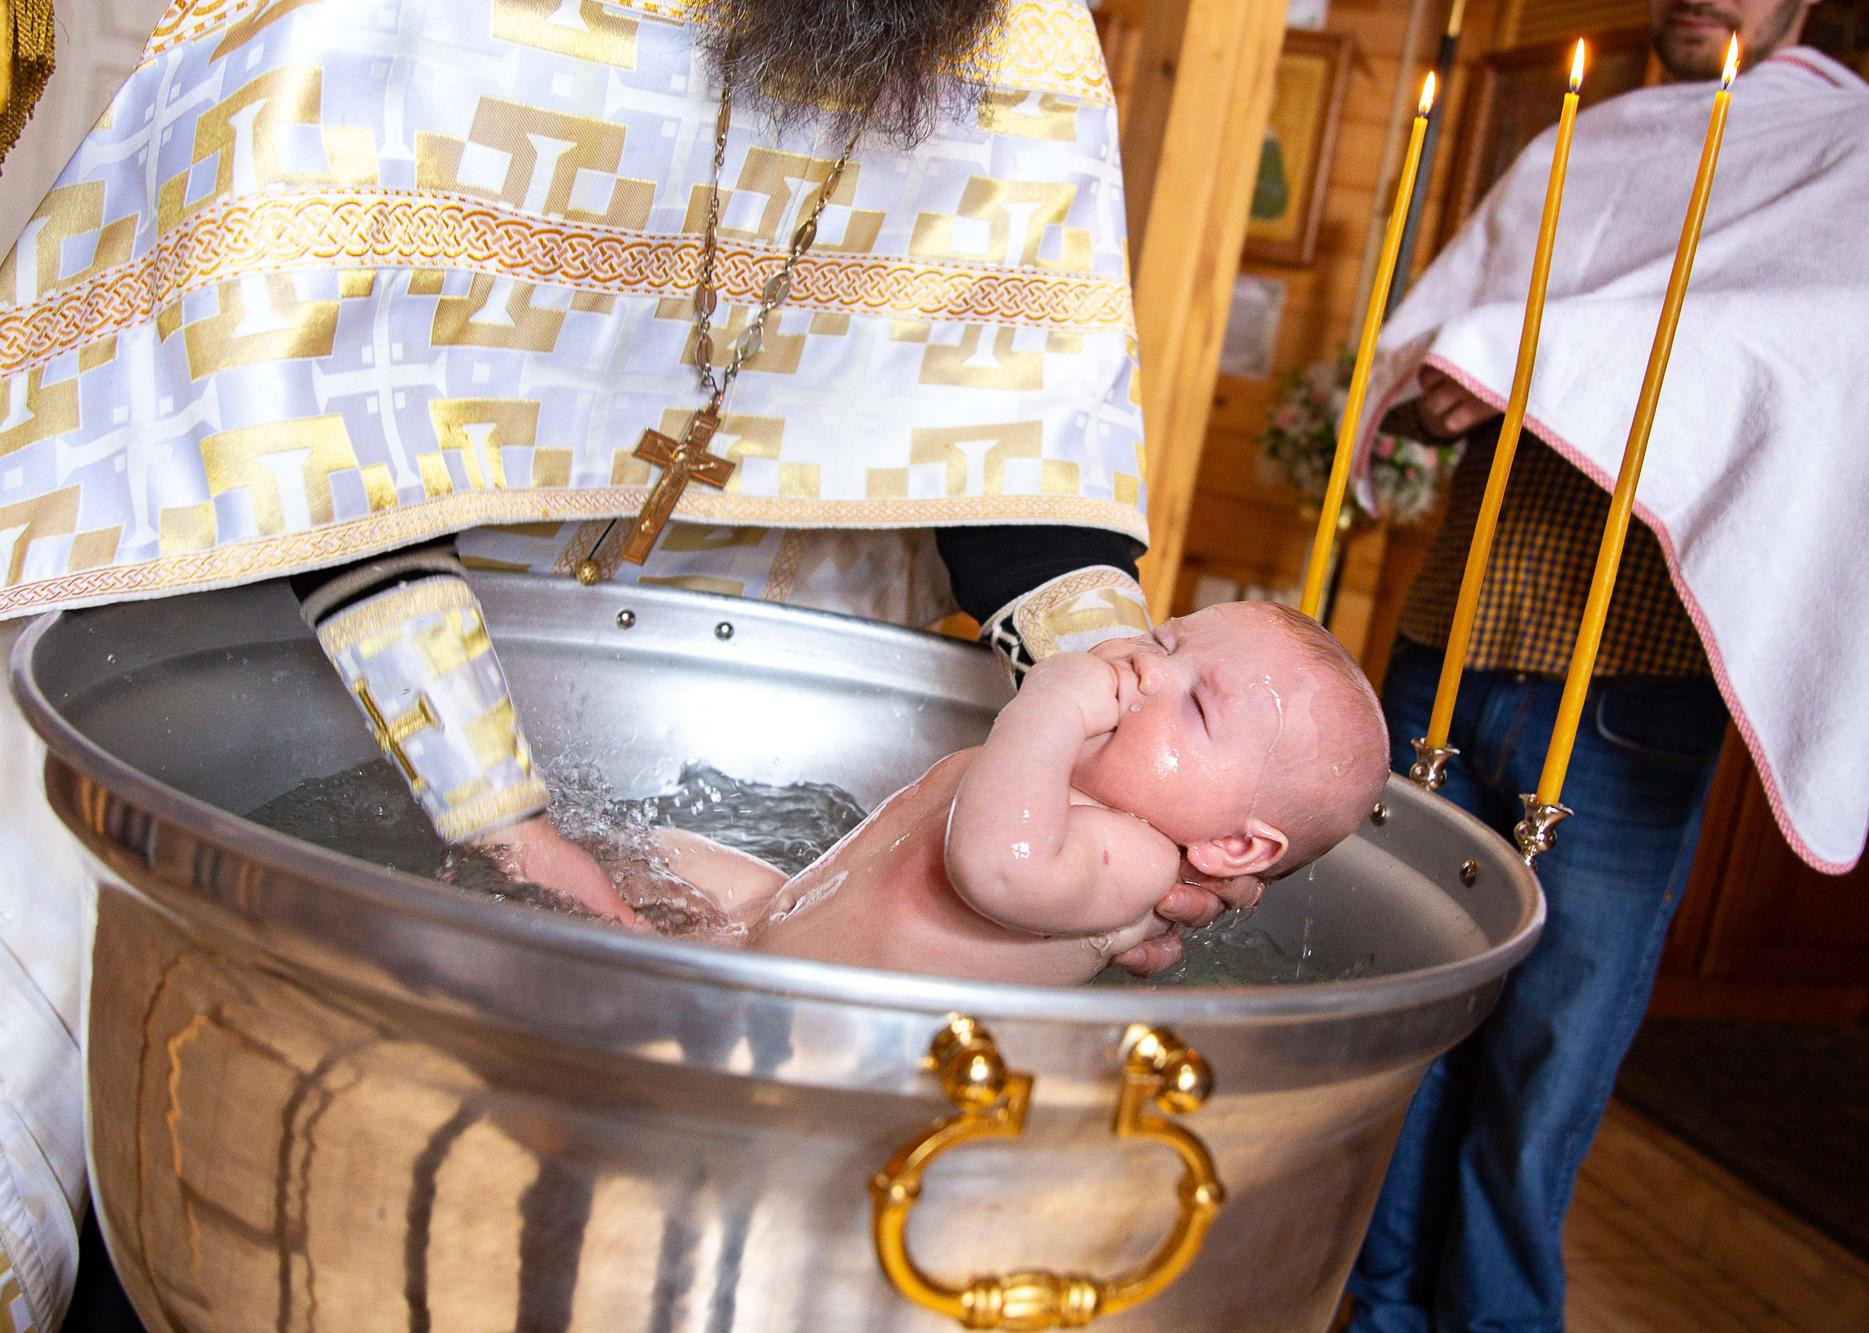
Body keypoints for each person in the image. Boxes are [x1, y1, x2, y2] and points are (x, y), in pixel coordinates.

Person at [0, 1, 1256, 1324]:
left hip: (752, 623)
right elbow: (301, 377)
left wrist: (1146, 773)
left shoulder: (1012, 33)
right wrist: (494, 801)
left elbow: (1021, 448)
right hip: (335, 602)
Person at [1341, 0, 1869, 1327]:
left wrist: (1536, 352)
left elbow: (1841, 334)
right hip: (1449, 633)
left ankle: (1492, 1319)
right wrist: (1445, 376)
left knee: (1544, 1051)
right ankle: (1372, 1301)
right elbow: (1445, 333)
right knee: (1391, 997)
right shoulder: (1589, 140)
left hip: (1627, 677)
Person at [605, 602, 1389, 983]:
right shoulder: (1072, 787)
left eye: (1195, 704)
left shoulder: (1135, 857)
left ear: (1235, 847)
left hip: (822, 1023)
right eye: (1162, 639)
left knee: (625, 945)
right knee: (649, 851)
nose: (1146, 667)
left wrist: (1052, 699)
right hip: (777, 931)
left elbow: (997, 866)